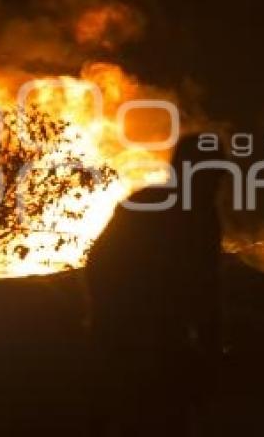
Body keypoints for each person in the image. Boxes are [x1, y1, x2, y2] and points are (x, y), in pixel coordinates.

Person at [85, 135, 224, 435]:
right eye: (212, 172)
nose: (217, 182)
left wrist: (207, 347)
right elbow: (102, 264)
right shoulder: (151, 207)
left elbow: (205, 288)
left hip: (159, 342)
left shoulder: (202, 218)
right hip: (131, 337)